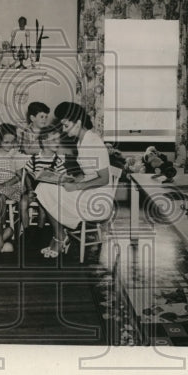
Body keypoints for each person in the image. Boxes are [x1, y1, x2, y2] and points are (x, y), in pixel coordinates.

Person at [35, 102, 111, 258]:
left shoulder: (94, 143)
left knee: (44, 190)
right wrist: (71, 179)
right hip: (88, 191)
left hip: (98, 199)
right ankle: (60, 236)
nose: (63, 129)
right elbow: (89, 173)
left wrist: (77, 187)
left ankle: (60, 237)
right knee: (44, 187)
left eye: (65, 125)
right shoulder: (82, 141)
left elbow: (104, 179)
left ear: (78, 122)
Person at [20, 128, 67, 230]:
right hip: (33, 192)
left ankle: (39, 231)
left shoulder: (57, 161)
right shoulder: (34, 158)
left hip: (47, 195)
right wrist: (29, 189)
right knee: (23, 202)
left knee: (43, 207)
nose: (58, 142)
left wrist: (60, 179)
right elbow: (27, 174)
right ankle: (27, 231)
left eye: (58, 139)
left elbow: (64, 177)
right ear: (44, 142)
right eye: (54, 140)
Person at [0, 123, 28, 211]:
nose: (10, 145)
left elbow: (18, 176)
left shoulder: (15, 155)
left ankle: (1, 223)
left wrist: (3, 185)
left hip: (14, 186)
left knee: (0, 197)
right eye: (6, 142)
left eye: (12, 142)